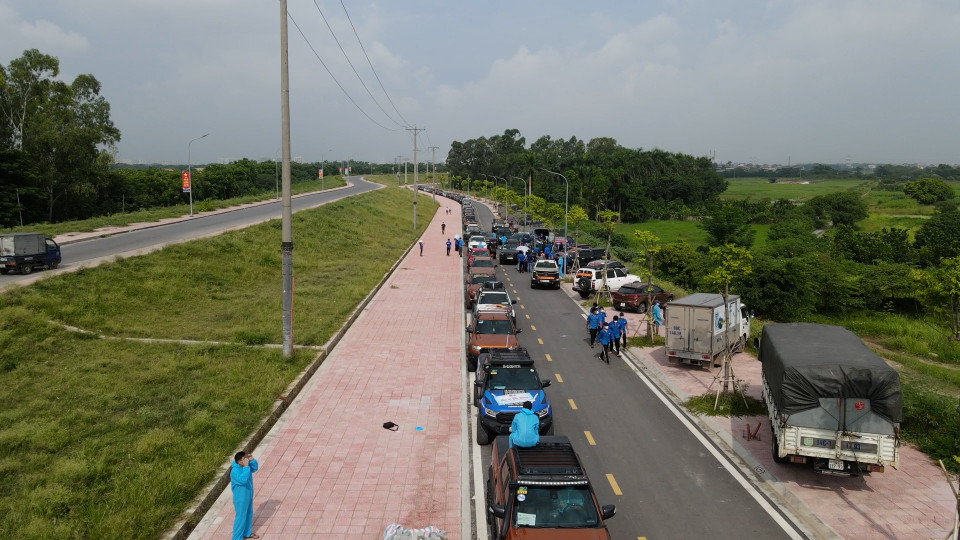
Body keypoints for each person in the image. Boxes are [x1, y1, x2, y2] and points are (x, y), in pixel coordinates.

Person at [231, 451, 260, 540]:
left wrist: (252, 460)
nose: (246, 461)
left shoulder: (245, 467)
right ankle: (236, 538)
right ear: (239, 461)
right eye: (244, 459)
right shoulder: (235, 471)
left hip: (248, 495)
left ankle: (247, 533)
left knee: (249, 514)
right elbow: (243, 480)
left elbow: (254, 468)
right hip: (240, 499)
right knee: (240, 518)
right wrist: (247, 467)